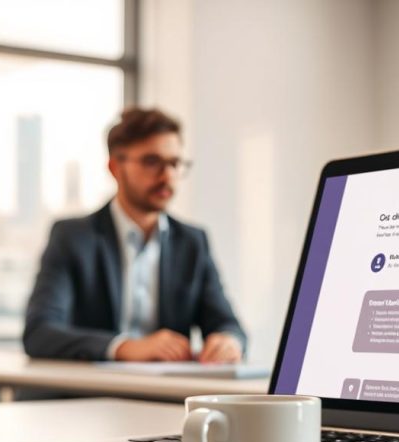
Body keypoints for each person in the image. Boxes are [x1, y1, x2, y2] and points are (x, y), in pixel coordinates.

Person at [22, 107, 246, 363]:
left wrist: (228, 341)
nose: (168, 176)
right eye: (152, 162)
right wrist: (124, 347)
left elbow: (229, 325)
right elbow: (39, 332)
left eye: (174, 163)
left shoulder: (193, 242)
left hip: (164, 395)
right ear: (115, 167)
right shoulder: (73, 237)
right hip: (87, 392)